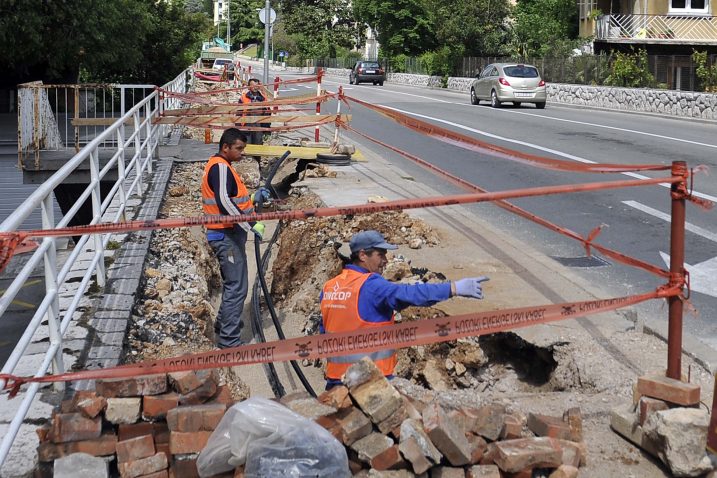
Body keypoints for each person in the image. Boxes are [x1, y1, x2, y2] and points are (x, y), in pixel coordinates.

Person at [320, 230, 489, 389]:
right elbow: (408, 293)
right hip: (367, 384)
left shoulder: (330, 286)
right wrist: (453, 288)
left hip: (336, 382)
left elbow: (325, 330)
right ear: (363, 255)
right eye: (381, 254)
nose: (386, 260)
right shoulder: (371, 285)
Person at [201, 128, 270, 348]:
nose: (242, 153)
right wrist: (250, 223)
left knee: (235, 284)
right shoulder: (220, 167)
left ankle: (223, 324)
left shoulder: (224, 167)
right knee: (237, 287)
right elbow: (223, 201)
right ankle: (229, 342)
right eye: (239, 149)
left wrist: (252, 197)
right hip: (224, 234)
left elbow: (232, 199)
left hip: (228, 232)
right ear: (225, 147)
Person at [240, 78, 270, 149]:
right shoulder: (243, 98)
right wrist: (239, 127)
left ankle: (257, 160)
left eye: (256, 86)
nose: (255, 88)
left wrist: (267, 130)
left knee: (258, 147)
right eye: (253, 86)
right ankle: (248, 160)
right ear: (249, 87)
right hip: (246, 126)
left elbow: (267, 114)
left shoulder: (263, 98)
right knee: (247, 146)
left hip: (259, 126)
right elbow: (239, 113)